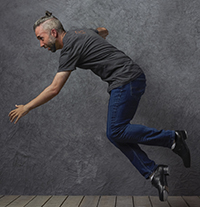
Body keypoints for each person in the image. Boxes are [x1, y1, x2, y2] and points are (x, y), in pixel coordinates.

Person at [8, 11, 191, 201]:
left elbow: (54, 89)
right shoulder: (81, 32)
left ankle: (172, 138)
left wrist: (27, 107)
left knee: (116, 131)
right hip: (130, 78)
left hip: (125, 79)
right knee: (116, 134)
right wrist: (98, 35)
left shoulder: (69, 47)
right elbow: (103, 30)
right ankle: (154, 172)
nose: (41, 44)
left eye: (41, 38)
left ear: (53, 33)